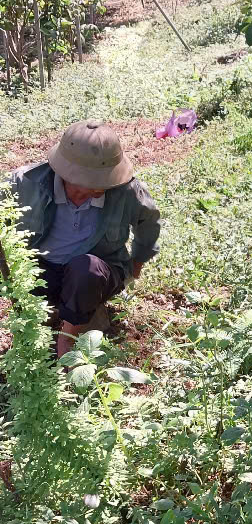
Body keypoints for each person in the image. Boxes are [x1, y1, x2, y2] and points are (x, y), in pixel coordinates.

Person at [8, 118, 161, 357]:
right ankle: (48, 315)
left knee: (86, 270)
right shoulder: (27, 182)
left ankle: (67, 339)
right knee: (29, 280)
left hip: (94, 274)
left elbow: (149, 221)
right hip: (42, 268)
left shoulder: (126, 191)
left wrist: (138, 261)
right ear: (71, 175)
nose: (104, 184)